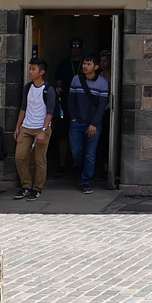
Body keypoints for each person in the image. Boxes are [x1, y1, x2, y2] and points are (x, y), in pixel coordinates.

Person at [66, 55, 110, 193]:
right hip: (77, 122)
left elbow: (102, 105)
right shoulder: (76, 79)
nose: (85, 66)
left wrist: (94, 124)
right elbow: (71, 100)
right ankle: (83, 173)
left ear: (96, 67)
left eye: (88, 64)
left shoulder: (102, 83)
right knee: (76, 151)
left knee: (90, 154)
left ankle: (86, 181)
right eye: (84, 63)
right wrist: (73, 117)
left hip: (93, 123)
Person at [12, 59, 54, 200]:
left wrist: (43, 130)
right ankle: (26, 185)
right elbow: (23, 107)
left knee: (39, 160)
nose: (30, 71)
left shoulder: (49, 89)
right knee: (19, 156)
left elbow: (50, 111)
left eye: (33, 69)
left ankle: (37, 189)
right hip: (27, 126)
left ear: (42, 72)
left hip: (41, 127)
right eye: (30, 69)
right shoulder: (27, 87)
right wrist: (18, 127)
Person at [50, 39, 82, 174]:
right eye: (72, 46)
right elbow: (58, 81)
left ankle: (76, 163)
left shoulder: (86, 64)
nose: (75, 48)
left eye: (78, 46)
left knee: (78, 135)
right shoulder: (63, 64)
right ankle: (62, 164)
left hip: (81, 105)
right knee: (63, 134)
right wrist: (58, 87)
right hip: (65, 103)